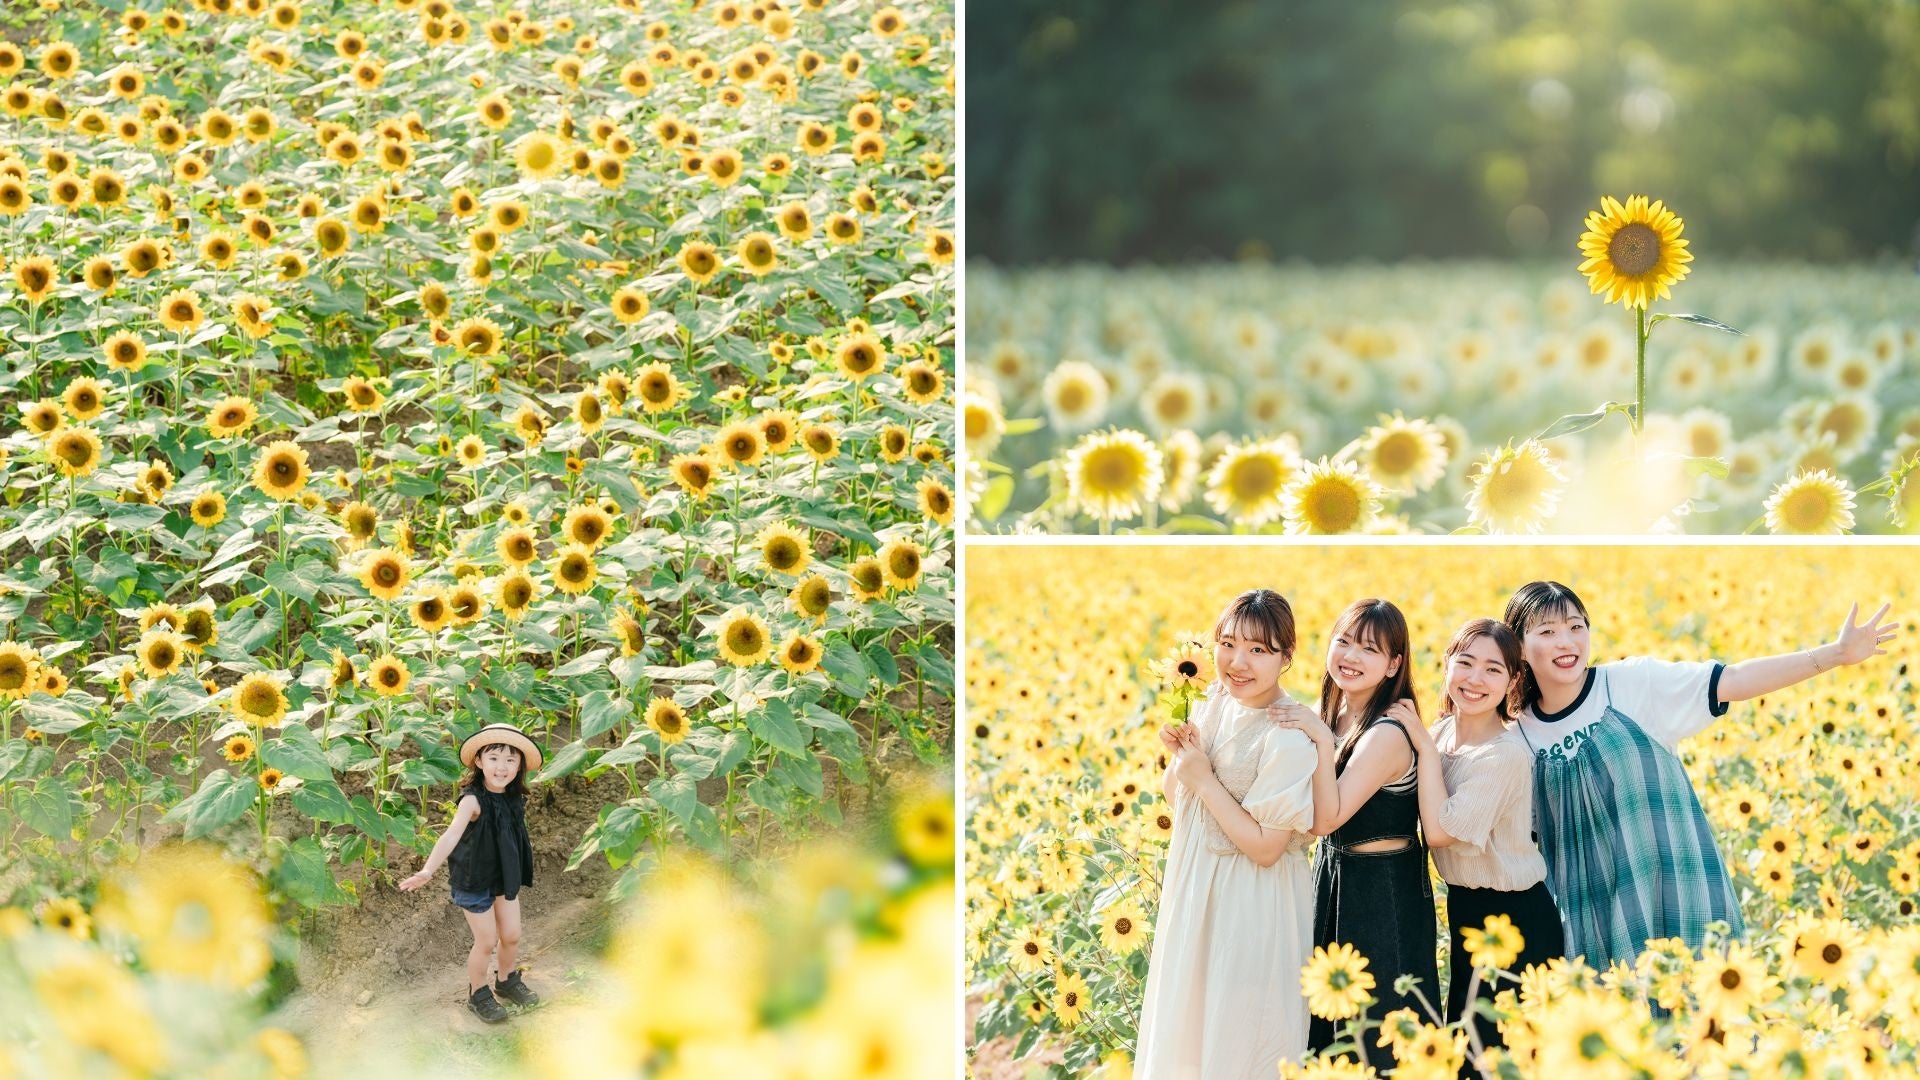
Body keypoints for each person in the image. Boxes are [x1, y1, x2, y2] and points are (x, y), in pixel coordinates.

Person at [1502, 581, 1898, 971]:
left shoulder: (1631, 684)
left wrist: (1836, 653)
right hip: (1591, 924)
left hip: (1681, 898)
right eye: (1548, 632)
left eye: (1576, 626)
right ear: (1519, 646)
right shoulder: (1516, 738)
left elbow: (1736, 681)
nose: (1567, 641)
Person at [1135, 589, 1323, 1079]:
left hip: (1252, 904)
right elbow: (1181, 802)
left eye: (1259, 650)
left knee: (1239, 1040)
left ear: (1287, 658)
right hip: (1198, 888)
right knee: (1189, 1037)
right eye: (1228, 644)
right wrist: (1185, 755)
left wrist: (1202, 777)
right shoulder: (1214, 702)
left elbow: (1266, 848)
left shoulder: (1287, 731)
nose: (1238, 662)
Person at [1399, 618, 1563, 1069]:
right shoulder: (1440, 734)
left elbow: (1439, 831)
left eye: (1493, 670)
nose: (1475, 679)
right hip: (1466, 909)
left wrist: (1425, 751)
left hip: (1518, 917)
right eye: (1465, 662)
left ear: (1513, 681)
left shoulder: (1504, 756)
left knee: (1509, 1056)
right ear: (1446, 665)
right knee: (1470, 1050)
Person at [1291, 599, 1439, 1070]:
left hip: (1382, 891)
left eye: (1369, 649)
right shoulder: (1333, 713)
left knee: (1376, 1027)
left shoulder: (1387, 732)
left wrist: (1315, 737)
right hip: (1335, 875)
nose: (1351, 657)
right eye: (1344, 641)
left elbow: (1325, 819)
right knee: (1329, 1023)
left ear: (1394, 663)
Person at [400, 723, 544, 1023]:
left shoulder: (515, 797)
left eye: (510, 760)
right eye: (494, 758)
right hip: (475, 880)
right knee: (487, 940)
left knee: (513, 935)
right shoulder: (472, 801)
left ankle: (506, 980)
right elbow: (451, 836)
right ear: (479, 761)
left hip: (504, 877)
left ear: (519, 766)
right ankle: (478, 993)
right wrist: (427, 870)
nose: (502, 767)